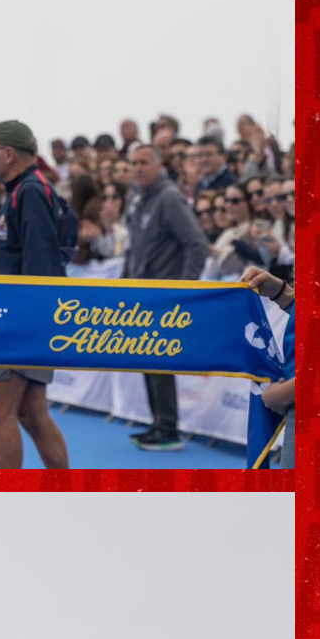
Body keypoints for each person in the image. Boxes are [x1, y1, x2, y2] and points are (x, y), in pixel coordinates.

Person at [0, 121, 71, 469]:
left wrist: (25, 328)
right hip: (25, 317)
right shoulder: (27, 190)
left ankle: (10, 496)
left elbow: (40, 265)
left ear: (8, 153)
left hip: (19, 320)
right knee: (31, 412)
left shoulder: (30, 192)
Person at [123, 144, 212, 451]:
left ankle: (168, 428)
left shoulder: (169, 197)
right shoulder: (139, 198)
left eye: (144, 162)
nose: (138, 168)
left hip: (163, 295)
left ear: (159, 165)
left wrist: (183, 289)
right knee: (148, 360)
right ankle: (159, 423)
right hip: (142, 295)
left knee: (158, 359)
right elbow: (134, 248)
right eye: (134, 163)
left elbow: (197, 244)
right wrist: (124, 283)